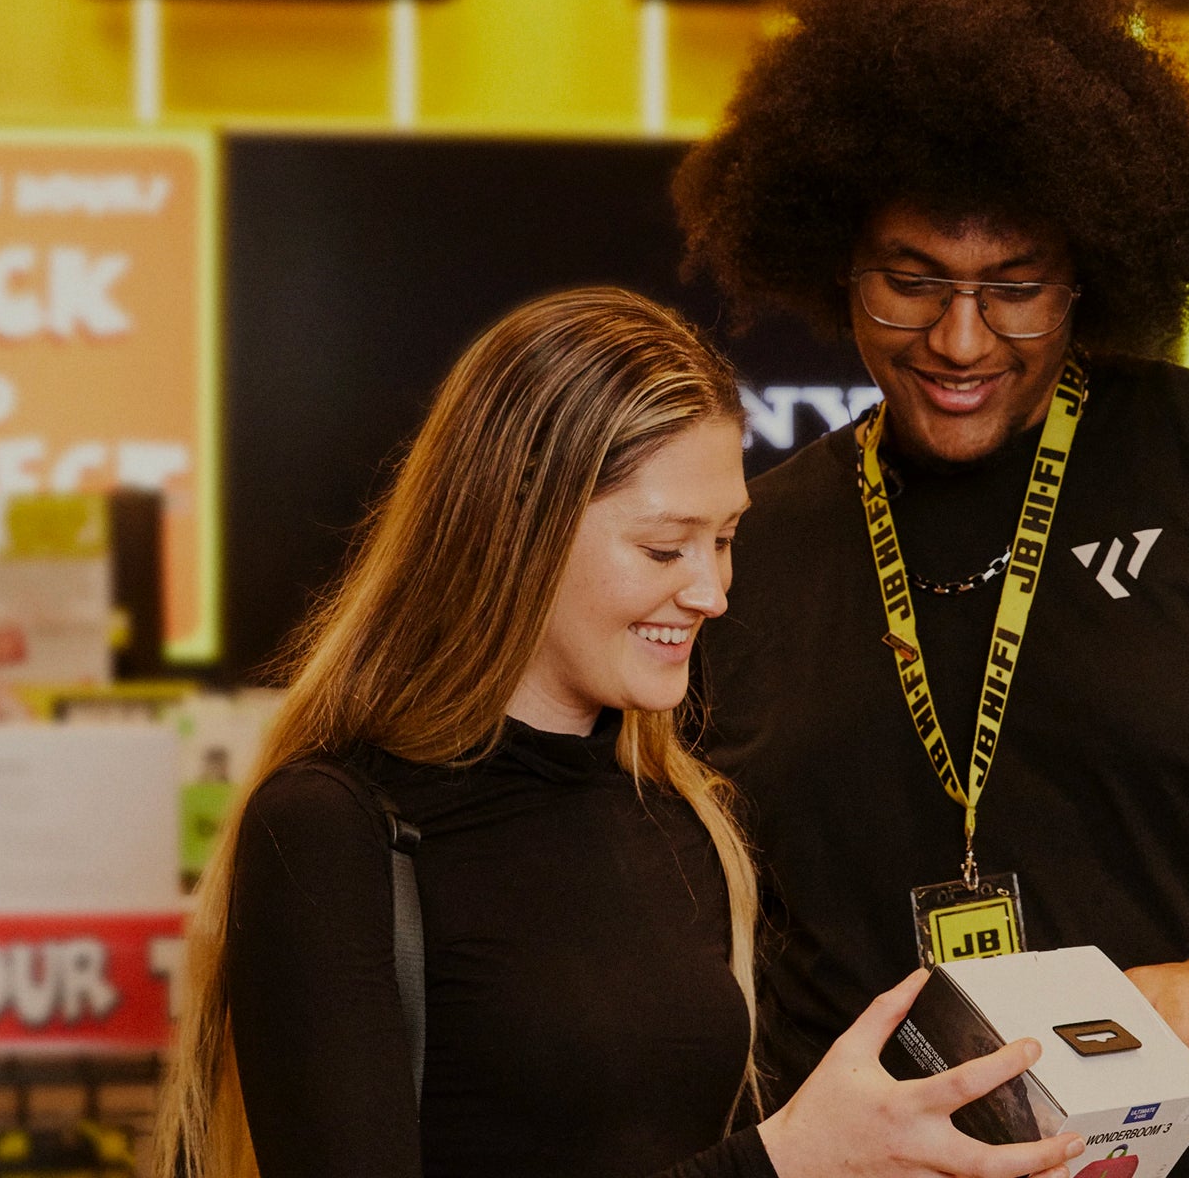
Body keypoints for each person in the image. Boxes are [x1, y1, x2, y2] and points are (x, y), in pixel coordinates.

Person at [675, 0, 1189, 1177]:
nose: (960, 340)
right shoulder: (743, 550)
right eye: (912, 280)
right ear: (837, 262)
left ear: (1091, 270)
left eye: (1016, 289)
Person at [154, 286, 1084, 1178]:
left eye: (725, 539)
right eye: (663, 547)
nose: (713, 591)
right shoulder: (333, 829)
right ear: (519, 525)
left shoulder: (685, 818)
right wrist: (782, 1164)